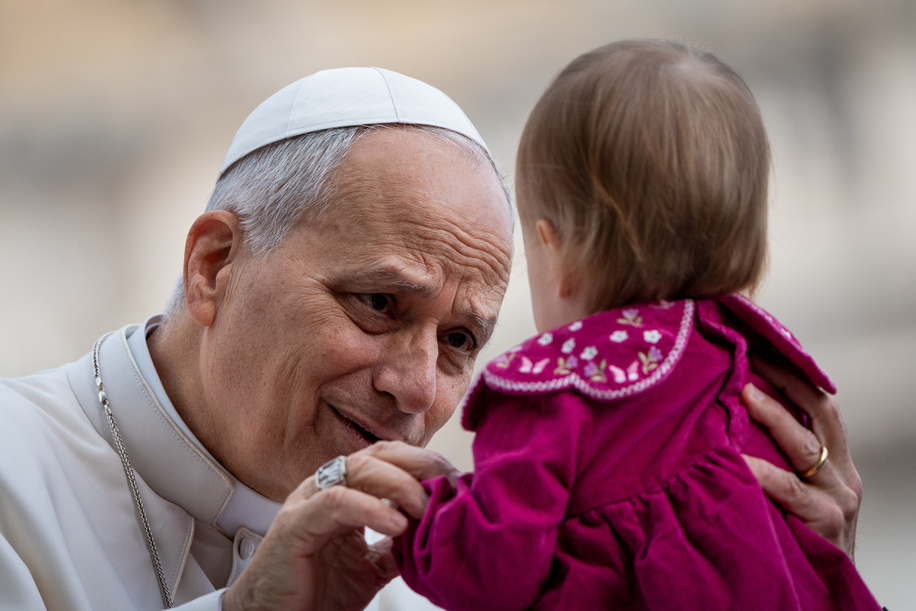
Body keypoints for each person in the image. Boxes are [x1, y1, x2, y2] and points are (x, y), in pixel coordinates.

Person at [0, 64, 863, 611]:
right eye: (378, 302)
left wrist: (786, 572)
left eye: (459, 340)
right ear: (215, 266)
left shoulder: (438, 568)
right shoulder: (13, 471)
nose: (416, 388)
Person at [392, 40, 880, 610]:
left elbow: (490, 568)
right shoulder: (760, 367)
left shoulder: (560, 389)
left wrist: (418, 512)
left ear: (556, 248)